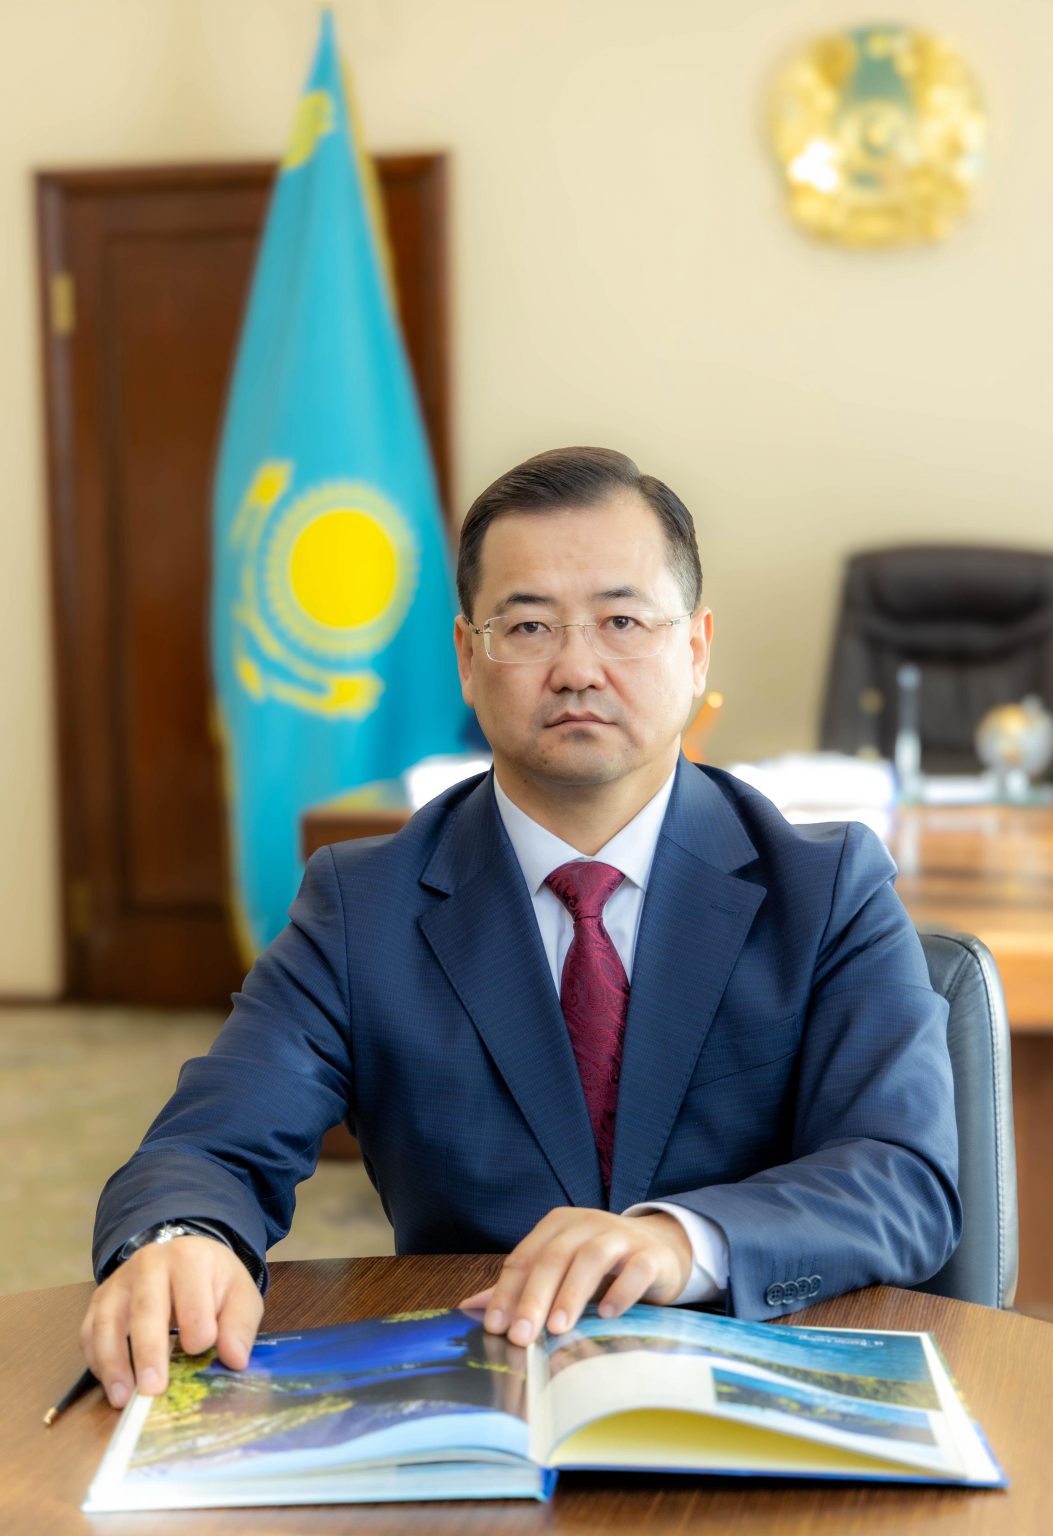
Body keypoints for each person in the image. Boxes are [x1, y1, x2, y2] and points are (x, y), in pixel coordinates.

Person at [80, 447, 960, 1409]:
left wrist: (678, 1240)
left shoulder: (825, 886)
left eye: (622, 621)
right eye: (529, 625)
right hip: (475, 1398)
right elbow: (210, 1146)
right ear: (468, 657)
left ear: (695, 648)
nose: (576, 668)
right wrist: (182, 1238)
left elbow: (900, 1175)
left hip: (757, 1392)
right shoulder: (363, 903)